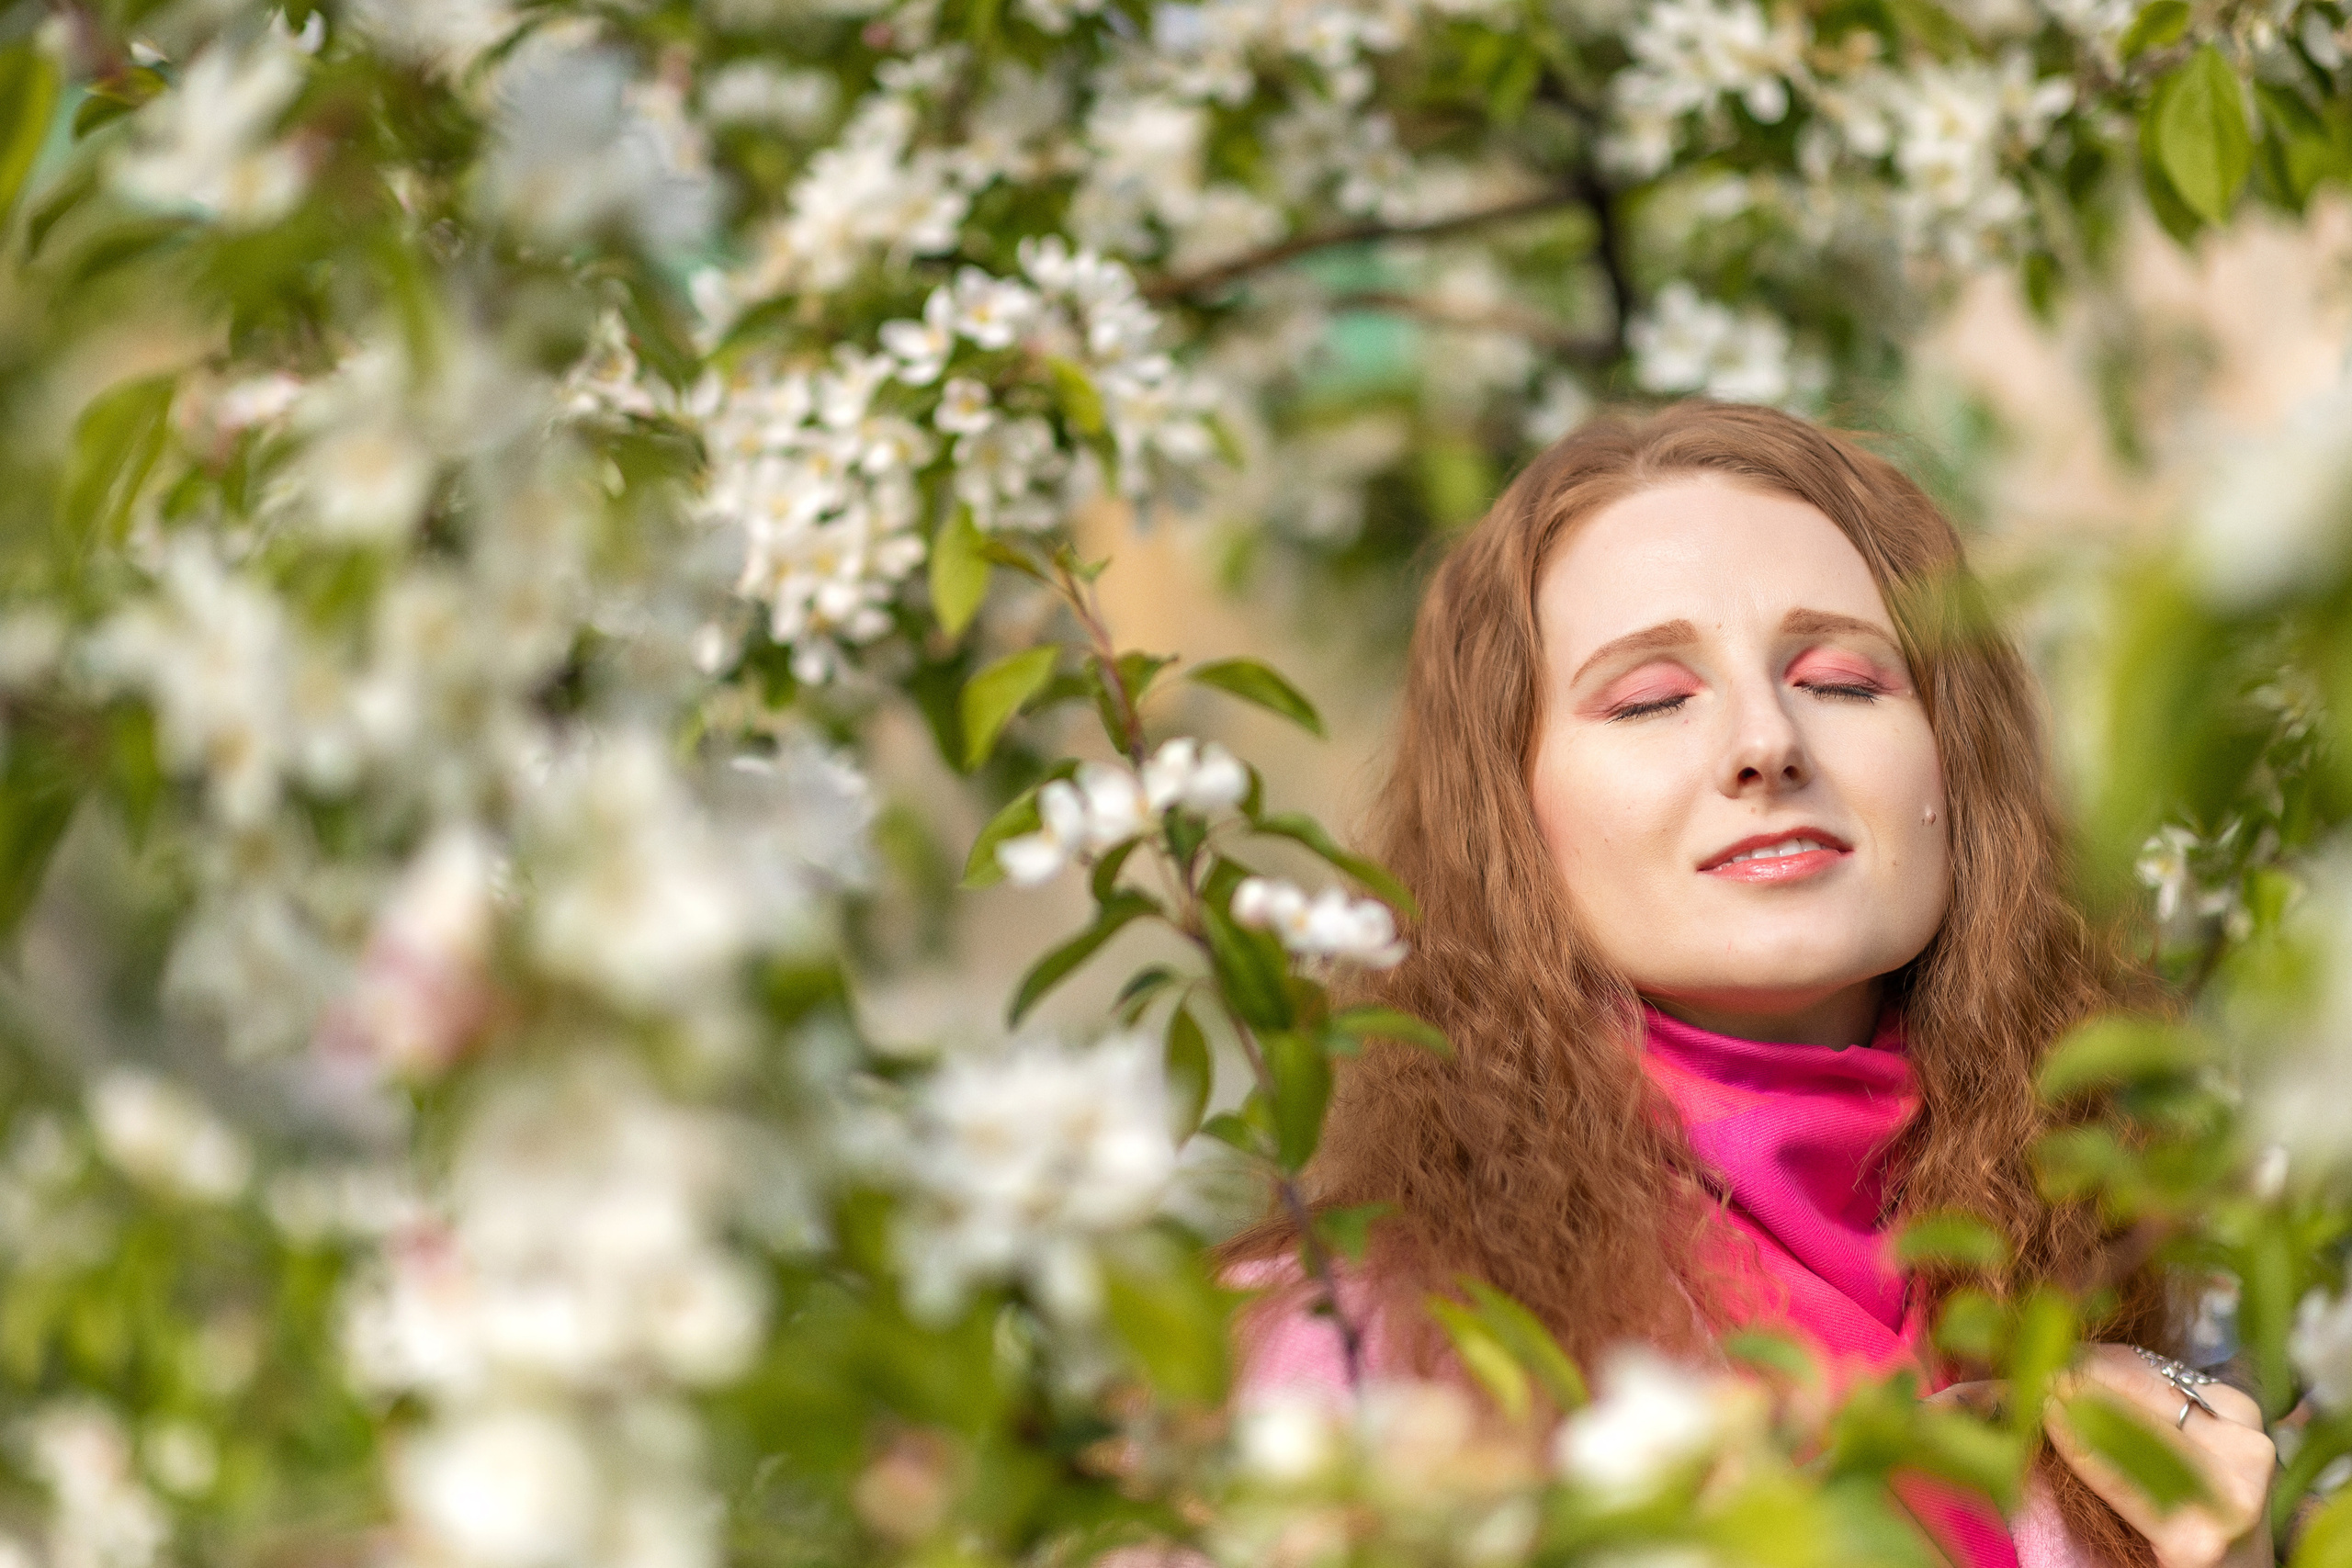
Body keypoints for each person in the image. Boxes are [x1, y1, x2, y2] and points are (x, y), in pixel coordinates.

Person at [1220, 402, 2278, 1568]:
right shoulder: (1344, 1355)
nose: (1765, 742)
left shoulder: (2114, 1256)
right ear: (1507, 816)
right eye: (1649, 699)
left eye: (1842, 681)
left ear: (1956, 764)